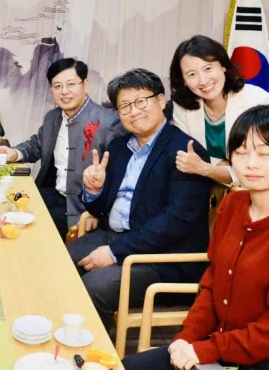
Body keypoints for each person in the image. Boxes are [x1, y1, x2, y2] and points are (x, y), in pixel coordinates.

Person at [123, 105, 269, 370]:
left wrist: (205, 349)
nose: (251, 163)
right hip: (222, 345)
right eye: (241, 153)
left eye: (265, 154)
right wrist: (187, 337)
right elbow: (212, 283)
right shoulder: (232, 205)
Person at [68, 68, 212, 329]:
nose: (134, 111)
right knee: (58, 264)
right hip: (115, 236)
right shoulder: (119, 147)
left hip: (162, 257)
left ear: (160, 101)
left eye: (140, 101)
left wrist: (114, 253)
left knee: (93, 287)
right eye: (125, 106)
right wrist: (94, 190)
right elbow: (99, 209)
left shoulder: (186, 152)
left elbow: (175, 222)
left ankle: (93, 350)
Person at [0, 58, 125, 240]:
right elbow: (38, 144)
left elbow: (120, 178)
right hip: (54, 194)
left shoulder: (108, 124)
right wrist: (14, 153)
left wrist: (98, 212)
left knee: (27, 233)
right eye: (57, 86)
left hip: (82, 207)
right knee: (4, 210)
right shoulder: (53, 117)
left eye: (70, 84)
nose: (64, 91)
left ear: (85, 84)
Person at [170, 35, 269, 186]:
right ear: (184, 81)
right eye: (192, 74)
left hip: (260, 189)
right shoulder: (182, 106)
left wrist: (206, 168)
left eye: (208, 69)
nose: (203, 81)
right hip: (207, 190)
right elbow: (187, 157)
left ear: (223, 66)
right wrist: (223, 167)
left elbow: (260, 165)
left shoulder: (257, 100)